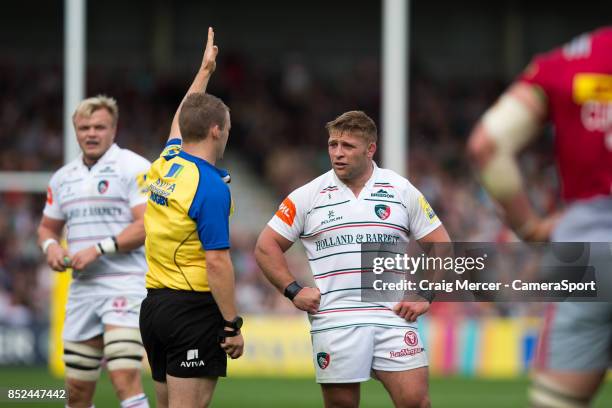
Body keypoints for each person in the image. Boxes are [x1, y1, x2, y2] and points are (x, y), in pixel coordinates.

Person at [255, 110, 451, 408]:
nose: (337, 153)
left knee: (416, 402)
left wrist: (426, 295)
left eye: (347, 146)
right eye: (333, 145)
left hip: (393, 317)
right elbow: (265, 245)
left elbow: (441, 244)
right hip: (336, 319)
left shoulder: (400, 190)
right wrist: (293, 290)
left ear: (370, 149)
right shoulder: (309, 196)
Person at [467, 27, 612, 408]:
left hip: (590, 254)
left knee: (557, 401)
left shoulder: (569, 62)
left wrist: (530, 227)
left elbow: (488, 144)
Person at [139, 27, 244, 408]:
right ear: (216, 130)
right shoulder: (211, 187)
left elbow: (178, 123)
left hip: (154, 309)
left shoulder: (167, 163)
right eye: (227, 128)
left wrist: (205, 70)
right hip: (192, 311)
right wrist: (232, 324)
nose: (228, 134)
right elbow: (217, 261)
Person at [37, 94, 151, 408]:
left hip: (125, 285)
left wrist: (99, 249)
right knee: (76, 392)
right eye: (84, 127)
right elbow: (47, 228)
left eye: (99, 127)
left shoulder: (135, 167)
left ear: (114, 129)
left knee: (123, 376)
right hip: (82, 290)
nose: (91, 133)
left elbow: (147, 225)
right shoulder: (63, 178)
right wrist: (50, 248)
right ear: (75, 130)